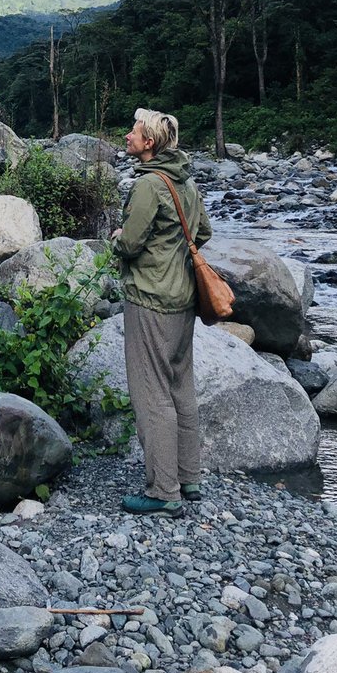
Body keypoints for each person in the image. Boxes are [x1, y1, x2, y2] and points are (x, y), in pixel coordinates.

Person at [111, 107, 212, 517]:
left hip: (151, 299)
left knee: (152, 395)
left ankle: (163, 491)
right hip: (183, 300)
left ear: (149, 143)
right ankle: (189, 479)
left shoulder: (149, 185)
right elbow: (202, 233)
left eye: (133, 131)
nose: (128, 136)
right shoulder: (183, 182)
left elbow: (131, 244)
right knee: (180, 389)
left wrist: (116, 237)